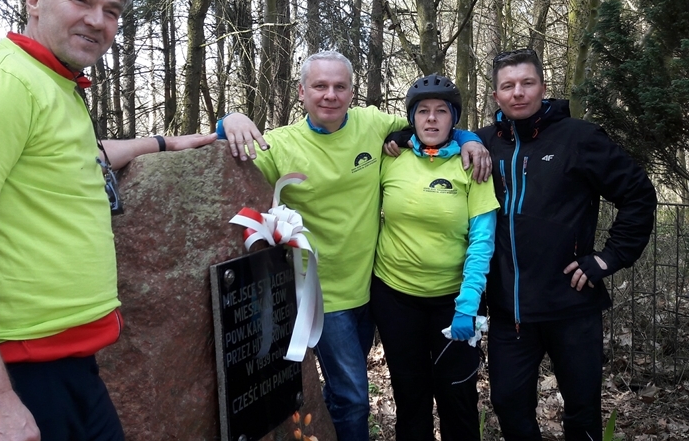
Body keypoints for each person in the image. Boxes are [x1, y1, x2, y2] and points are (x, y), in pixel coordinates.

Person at [0, 0, 216, 441]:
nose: (98, 20)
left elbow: (78, 156)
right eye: (81, 0)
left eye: (111, 11)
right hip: (6, 377)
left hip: (65, 368)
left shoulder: (53, 83)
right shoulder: (0, 82)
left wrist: (164, 143)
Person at [218, 51, 492, 441]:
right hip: (327, 296)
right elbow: (226, 166)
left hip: (374, 292)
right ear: (301, 92)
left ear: (351, 91)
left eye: (339, 86)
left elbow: (431, 124)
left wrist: (470, 140)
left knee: (358, 393)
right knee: (354, 398)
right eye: (320, 86)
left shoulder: (372, 124)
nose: (330, 95)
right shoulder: (279, 145)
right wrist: (228, 120)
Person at [476, 49, 657, 441]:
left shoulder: (580, 138)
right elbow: (431, 139)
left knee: (582, 413)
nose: (518, 92)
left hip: (571, 305)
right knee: (508, 405)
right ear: (496, 96)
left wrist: (610, 258)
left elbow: (638, 194)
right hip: (510, 311)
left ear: (543, 87)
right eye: (508, 86)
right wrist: (401, 137)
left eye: (527, 83)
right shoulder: (483, 143)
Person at [371, 74, 499, 441]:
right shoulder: (390, 158)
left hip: (453, 301)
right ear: (411, 118)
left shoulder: (472, 163)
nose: (431, 118)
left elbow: (482, 240)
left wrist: (469, 304)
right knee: (410, 399)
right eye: (422, 111)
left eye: (441, 111)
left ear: (453, 119)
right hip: (395, 299)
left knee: (457, 398)